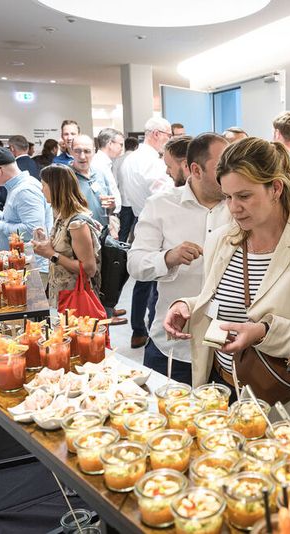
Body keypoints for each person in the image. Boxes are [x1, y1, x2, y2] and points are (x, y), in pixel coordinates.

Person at [164, 137, 290, 436]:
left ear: (275, 188)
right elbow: (220, 300)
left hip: (285, 400)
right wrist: (187, 305)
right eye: (227, 197)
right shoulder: (222, 239)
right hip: (222, 391)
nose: (234, 208)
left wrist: (264, 333)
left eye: (244, 196)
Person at [129, 133, 232, 385]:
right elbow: (135, 263)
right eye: (222, 167)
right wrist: (168, 258)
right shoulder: (161, 205)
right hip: (174, 345)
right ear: (196, 170)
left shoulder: (239, 207)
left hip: (227, 347)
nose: (230, 173)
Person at [118, 117, 172, 348]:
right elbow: (163, 194)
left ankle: (138, 328)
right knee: (156, 277)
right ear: (157, 134)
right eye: (168, 136)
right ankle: (150, 329)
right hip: (156, 220)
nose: (169, 140)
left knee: (143, 279)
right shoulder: (151, 161)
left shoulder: (130, 159)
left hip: (139, 218)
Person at [32, 164, 103, 308]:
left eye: (44, 185)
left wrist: (51, 254)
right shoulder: (62, 215)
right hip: (64, 295)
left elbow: (89, 269)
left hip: (76, 298)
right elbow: (67, 249)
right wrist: (47, 242)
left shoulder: (77, 224)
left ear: (55, 188)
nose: (41, 190)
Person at [0, 147, 53, 275]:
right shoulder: (18, 187)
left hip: (32, 267)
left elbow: (32, 230)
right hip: (23, 264)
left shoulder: (25, 190)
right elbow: (17, 219)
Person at [70, 135, 115, 227]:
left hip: (103, 231)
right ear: (71, 152)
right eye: (77, 151)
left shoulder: (100, 174)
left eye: (87, 151)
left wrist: (111, 206)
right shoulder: (65, 177)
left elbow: (110, 209)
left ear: (94, 152)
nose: (82, 156)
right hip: (79, 233)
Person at [92, 128, 125, 223]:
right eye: (120, 145)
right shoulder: (98, 165)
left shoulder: (106, 163)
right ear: (110, 144)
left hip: (110, 215)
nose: (122, 148)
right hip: (105, 217)